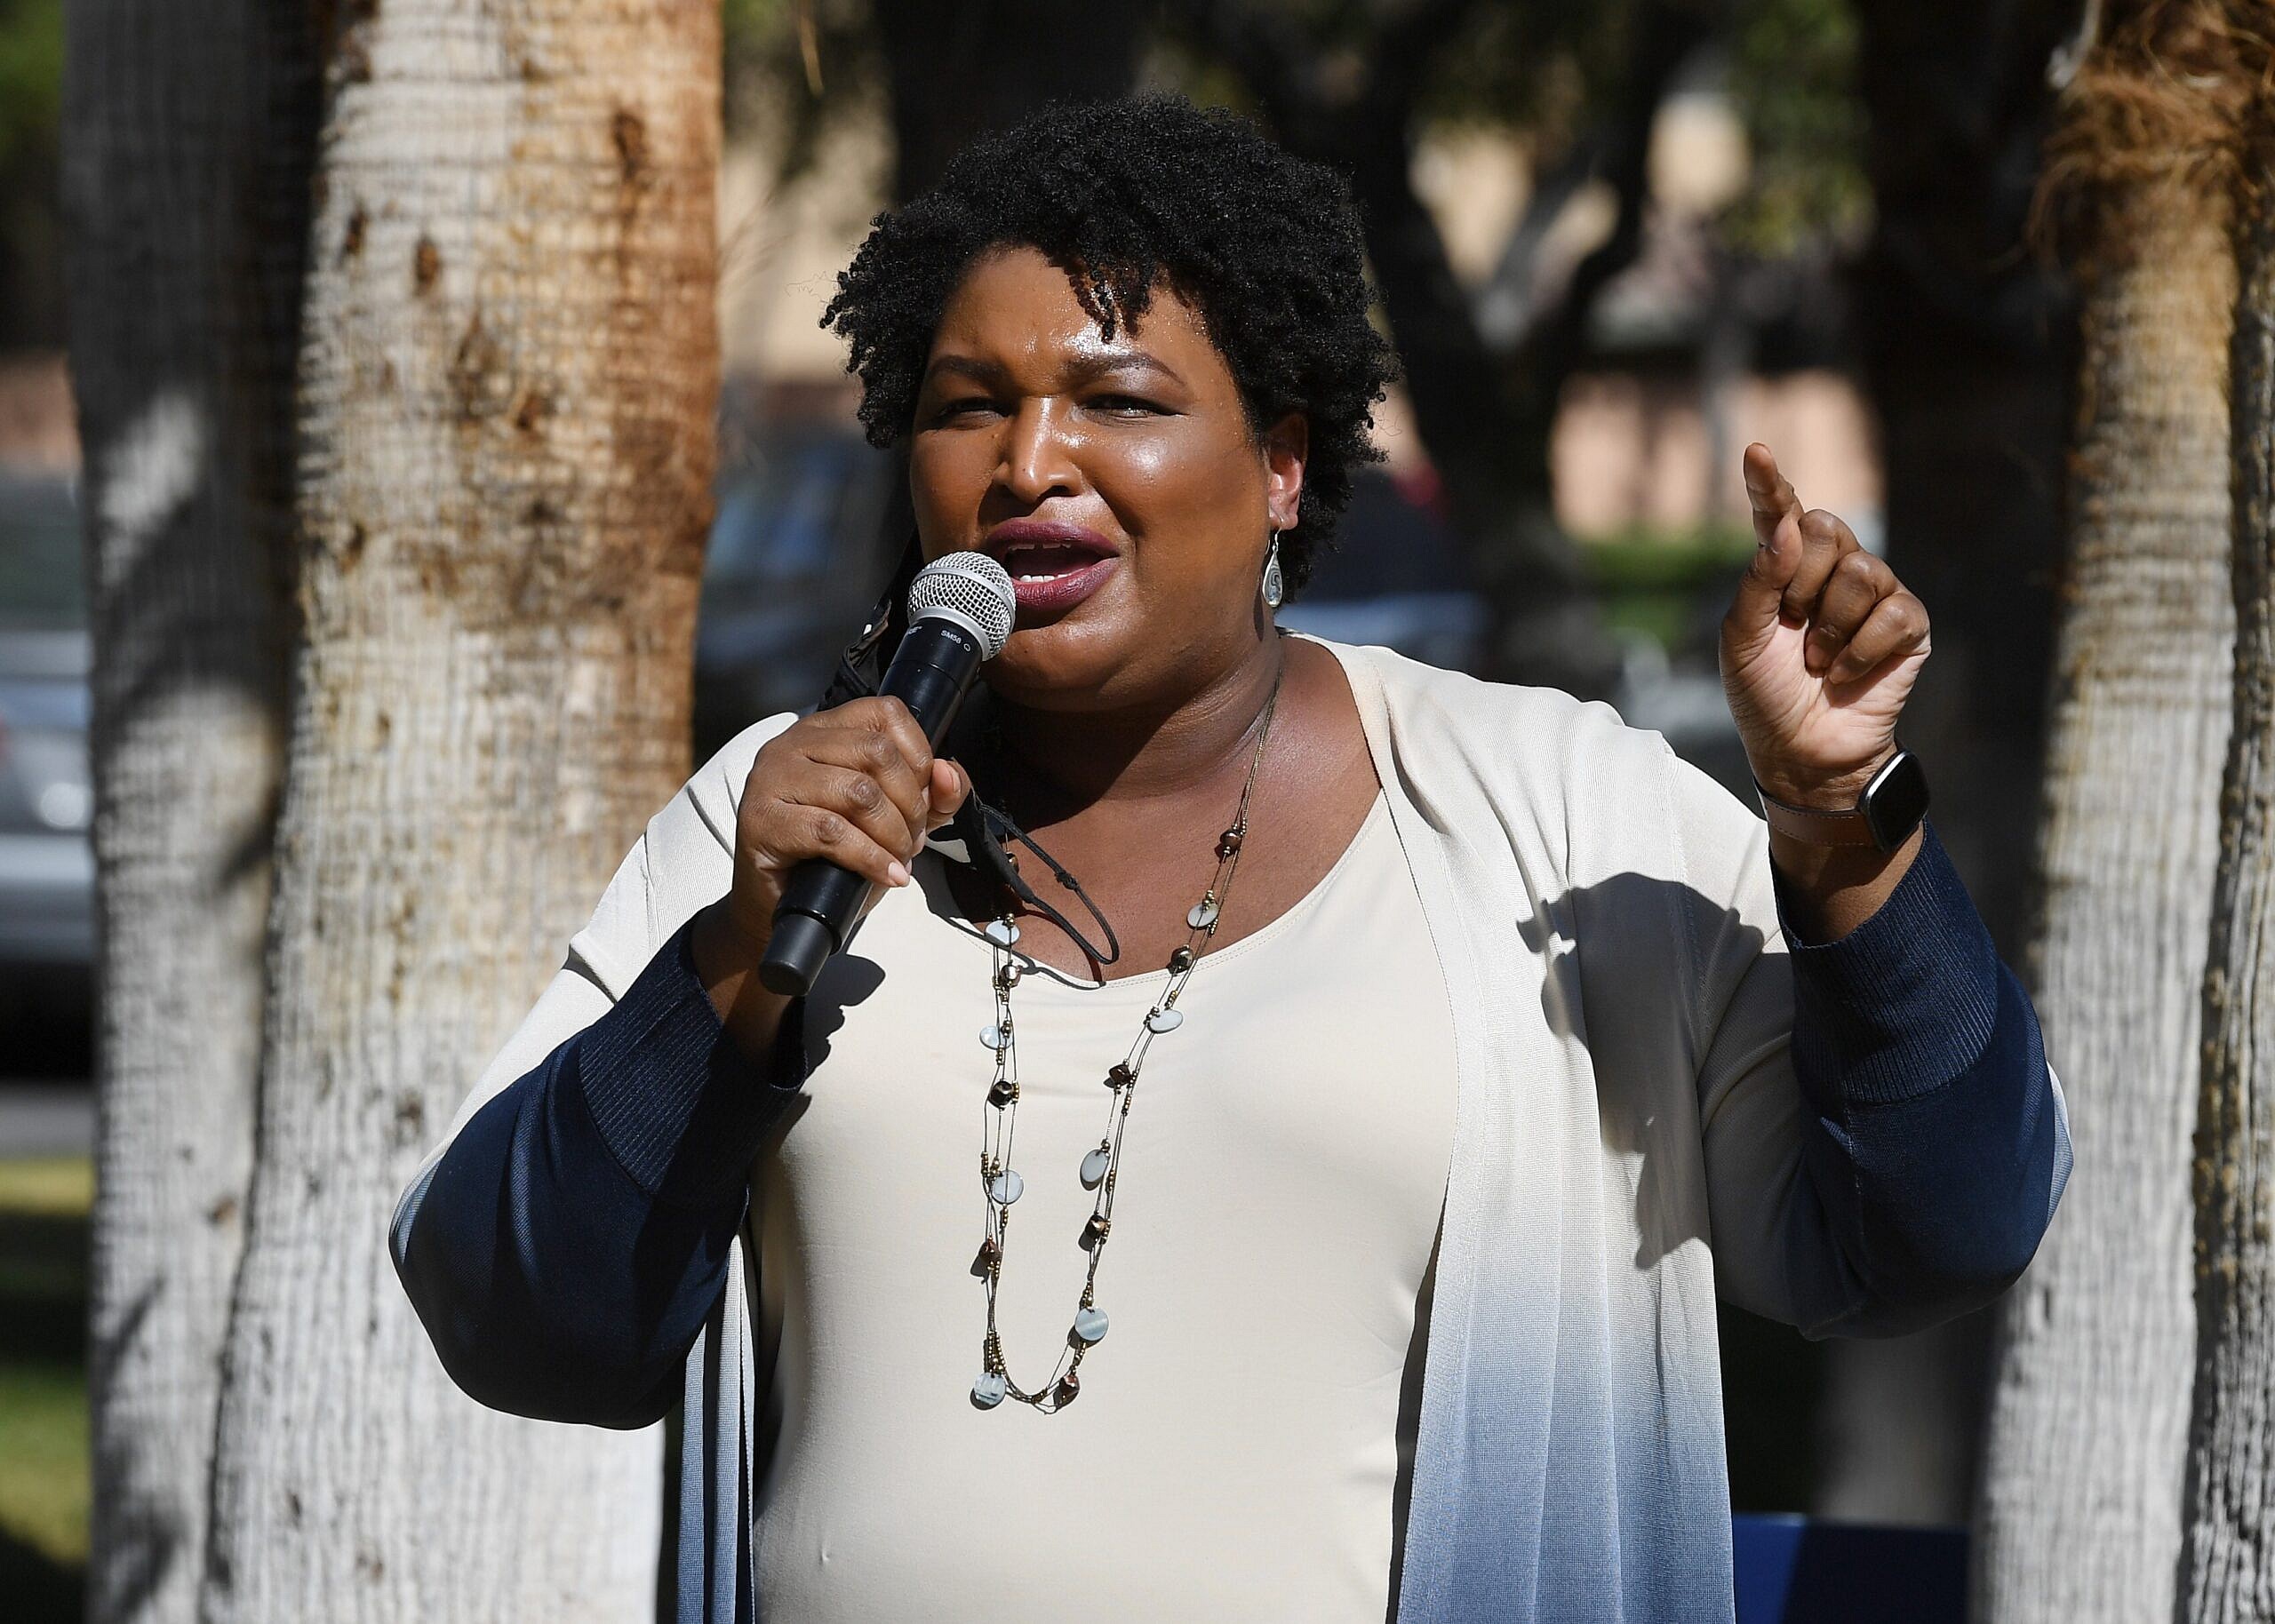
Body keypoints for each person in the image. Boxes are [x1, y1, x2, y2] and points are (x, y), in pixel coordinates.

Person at [389, 92, 2069, 1624]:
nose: (1029, 462)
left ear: (1281, 467)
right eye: (969, 406)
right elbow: (521, 1317)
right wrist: (733, 969)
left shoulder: (1548, 811)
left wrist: (1843, 822)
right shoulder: (783, 818)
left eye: (1117, 401)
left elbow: (1936, 1226)